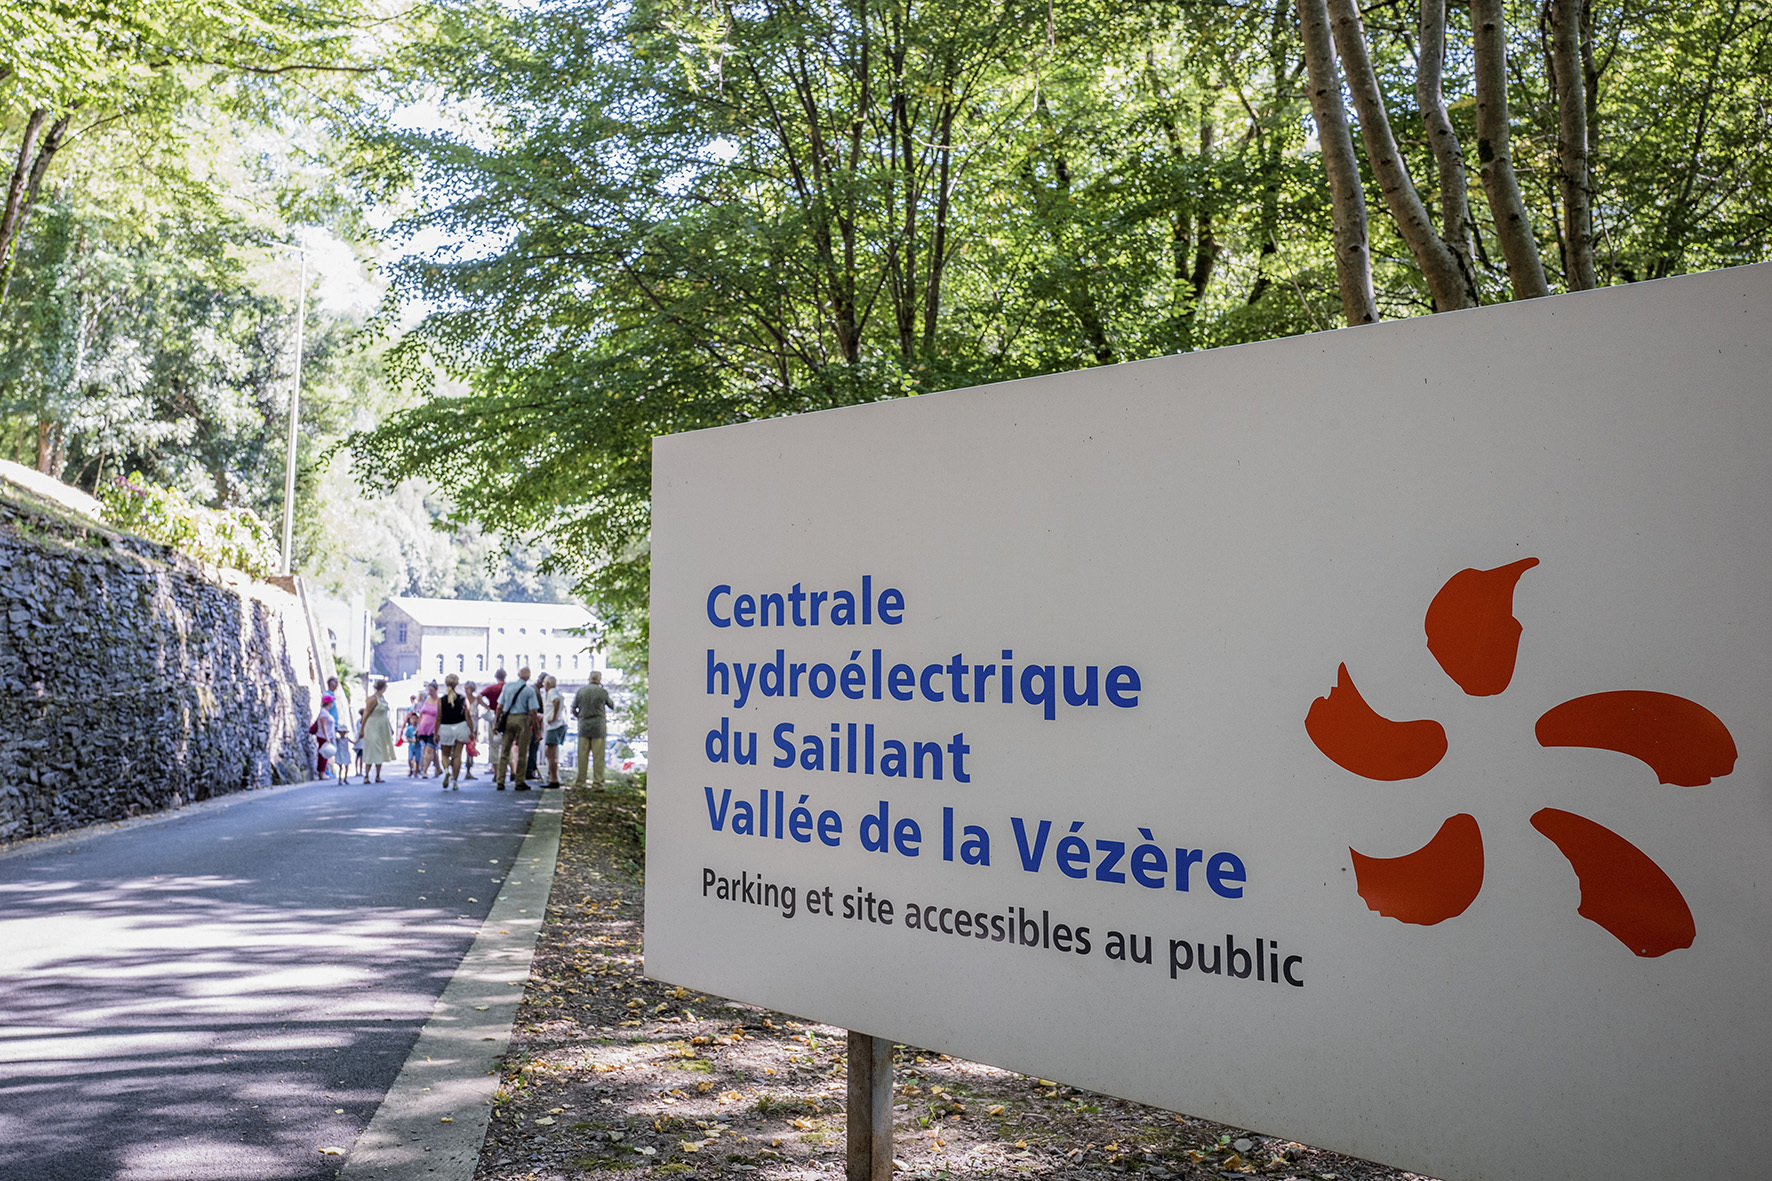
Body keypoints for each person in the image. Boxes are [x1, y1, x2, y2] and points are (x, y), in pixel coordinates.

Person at [494, 667, 541, 791]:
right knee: (522, 752)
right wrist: (537, 731)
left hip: (508, 718)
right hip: (523, 720)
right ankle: (519, 781)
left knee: (504, 751)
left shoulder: (507, 687)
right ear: (528, 677)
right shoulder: (529, 691)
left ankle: (500, 780)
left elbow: (499, 707)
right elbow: (533, 712)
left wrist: (496, 723)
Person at [573, 670, 615, 789]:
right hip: (598, 727)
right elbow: (612, 705)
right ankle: (598, 783)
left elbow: (573, 708)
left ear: (589, 678)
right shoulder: (602, 692)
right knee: (598, 757)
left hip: (584, 726)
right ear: (599, 680)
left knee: (582, 756)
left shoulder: (581, 691)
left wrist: (580, 717)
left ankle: (580, 782)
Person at [436, 673, 471, 790]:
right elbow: (468, 716)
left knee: (445, 754)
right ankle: (455, 781)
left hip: (446, 728)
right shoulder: (462, 699)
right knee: (457, 756)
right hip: (460, 727)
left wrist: (436, 733)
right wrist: (472, 731)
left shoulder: (441, 700)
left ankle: (446, 770)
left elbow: (438, 717)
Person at [359, 678, 394, 783]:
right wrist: (362, 729)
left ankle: (378, 775)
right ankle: (366, 776)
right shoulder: (373, 699)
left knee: (381, 749)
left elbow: (385, 715)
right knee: (371, 749)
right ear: (383, 687)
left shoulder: (382, 698)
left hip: (381, 727)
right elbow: (366, 713)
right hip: (372, 726)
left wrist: (390, 727)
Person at [540, 674, 566, 788]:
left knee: (551, 754)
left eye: (544, 683)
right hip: (555, 725)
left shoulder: (551, 692)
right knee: (549, 753)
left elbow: (556, 701)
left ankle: (554, 779)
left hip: (553, 726)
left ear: (548, 684)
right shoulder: (555, 692)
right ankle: (553, 777)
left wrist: (554, 716)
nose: (543, 685)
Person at [480, 669, 507, 774]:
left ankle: (496, 770)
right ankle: (507, 768)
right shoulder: (508, 688)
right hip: (506, 716)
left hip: (494, 715)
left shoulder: (491, 689)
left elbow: (479, 697)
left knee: (493, 743)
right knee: (506, 742)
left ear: (496, 677)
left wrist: (487, 707)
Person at [415, 682, 441, 778]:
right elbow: (421, 714)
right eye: (429, 690)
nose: (430, 692)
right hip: (424, 728)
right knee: (432, 750)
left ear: (436, 690)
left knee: (429, 750)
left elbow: (441, 716)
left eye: (431, 690)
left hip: (434, 729)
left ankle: (424, 771)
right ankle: (438, 769)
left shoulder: (439, 701)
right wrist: (419, 726)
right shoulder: (426, 699)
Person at [313, 696, 339, 780]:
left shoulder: (326, 712)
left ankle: (322, 772)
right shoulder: (324, 713)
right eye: (331, 702)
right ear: (328, 702)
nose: (332, 703)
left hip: (326, 736)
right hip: (323, 736)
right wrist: (327, 736)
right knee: (323, 755)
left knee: (325, 755)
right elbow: (323, 725)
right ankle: (322, 773)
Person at [461, 680, 480, 780]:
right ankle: (454, 769)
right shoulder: (462, 699)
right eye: (465, 688)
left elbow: (486, 708)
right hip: (463, 725)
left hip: (474, 725)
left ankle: (468, 771)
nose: (465, 690)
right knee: (458, 747)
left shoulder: (476, 699)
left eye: (467, 688)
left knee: (471, 747)